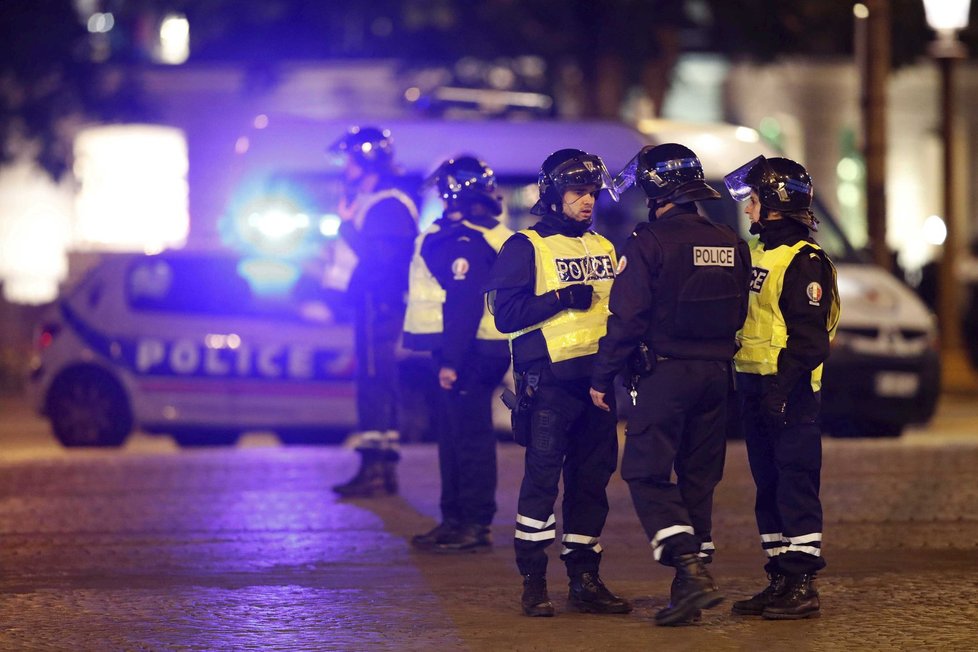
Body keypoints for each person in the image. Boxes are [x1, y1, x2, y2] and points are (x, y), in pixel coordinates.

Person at [588, 144, 751, 626]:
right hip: (716, 377)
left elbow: (627, 317)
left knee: (645, 472)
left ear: (656, 191)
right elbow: (739, 309)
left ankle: (687, 564)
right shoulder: (729, 239)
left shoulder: (649, 240)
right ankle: (688, 594)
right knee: (699, 481)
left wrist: (603, 376)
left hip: (664, 375)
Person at [487, 148, 631, 617]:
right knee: (541, 485)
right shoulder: (524, 246)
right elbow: (506, 317)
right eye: (578, 192)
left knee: (592, 484)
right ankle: (533, 580)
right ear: (553, 194)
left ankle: (585, 579)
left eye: (592, 192)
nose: (588, 201)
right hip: (547, 386)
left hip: (597, 386)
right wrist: (563, 297)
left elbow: (616, 315)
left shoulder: (604, 247)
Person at [723, 155, 840, 620]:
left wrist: (780, 389)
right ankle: (779, 578)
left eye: (753, 201)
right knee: (768, 487)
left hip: (788, 393)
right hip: (756, 387)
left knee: (795, 486)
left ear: (773, 205)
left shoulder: (805, 262)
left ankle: (803, 583)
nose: (748, 211)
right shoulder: (759, 255)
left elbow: (810, 339)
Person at [403, 156, 513, 553]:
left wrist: (450, 360)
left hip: (469, 351)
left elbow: (464, 303)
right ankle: (454, 520)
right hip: (477, 347)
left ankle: (474, 523)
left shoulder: (464, 239)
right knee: (453, 437)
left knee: (468, 439)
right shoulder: (486, 233)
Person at [327, 126, 419, 498]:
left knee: (375, 383)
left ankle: (377, 472)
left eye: (350, 160)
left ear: (366, 161)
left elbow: (383, 260)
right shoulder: (372, 201)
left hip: (379, 306)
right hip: (370, 305)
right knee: (372, 382)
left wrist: (347, 226)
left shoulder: (389, 204)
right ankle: (377, 469)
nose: (345, 167)